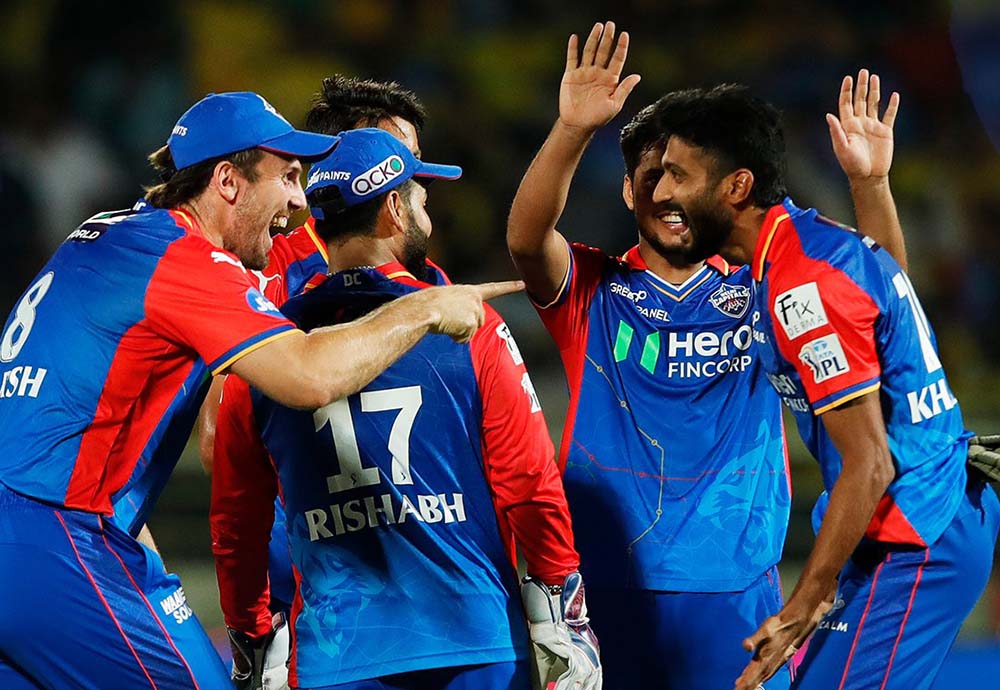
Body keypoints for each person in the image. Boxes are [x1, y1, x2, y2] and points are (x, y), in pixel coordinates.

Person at [0, 92, 517, 690]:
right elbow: (308, 376)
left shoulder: (107, 236)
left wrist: (132, 550)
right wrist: (423, 308)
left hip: (43, 538)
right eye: (288, 177)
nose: (299, 200)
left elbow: (78, 432)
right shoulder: (184, 259)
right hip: (55, 540)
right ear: (227, 181)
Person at [507, 21, 908, 690]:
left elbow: (879, 298)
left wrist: (870, 184)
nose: (668, 195)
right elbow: (527, 239)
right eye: (652, 178)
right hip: (608, 584)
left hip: (736, 586)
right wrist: (572, 129)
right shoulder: (593, 291)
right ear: (629, 191)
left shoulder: (761, 285)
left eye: (681, 177)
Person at [211, 127, 601, 690]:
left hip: (338, 659)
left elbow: (238, 523)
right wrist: (561, 605)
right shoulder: (469, 326)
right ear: (395, 209)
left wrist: (251, 632)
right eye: (422, 201)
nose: (429, 219)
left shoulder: (265, 353)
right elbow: (529, 483)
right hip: (475, 647)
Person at [646, 84, 1000, 690]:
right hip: (905, 522)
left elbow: (870, 463)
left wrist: (803, 604)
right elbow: (883, 299)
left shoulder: (800, 282)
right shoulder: (807, 245)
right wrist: (871, 184)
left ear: (736, 186)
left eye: (678, 175)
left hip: (917, 530)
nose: (662, 193)